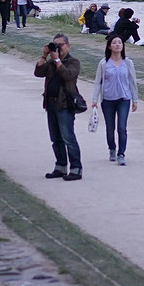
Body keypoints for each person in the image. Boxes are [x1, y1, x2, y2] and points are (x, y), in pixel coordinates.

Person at [34, 33, 83, 181]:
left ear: (68, 46)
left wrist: (56, 59)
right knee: (56, 138)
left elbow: (68, 75)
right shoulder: (50, 62)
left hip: (65, 105)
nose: (57, 48)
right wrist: (44, 56)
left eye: (60, 45)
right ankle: (60, 167)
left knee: (68, 138)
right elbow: (38, 73)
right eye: (55, 45)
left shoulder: (73, 62)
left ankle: (76, 169)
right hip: (50, 104)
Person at [92, 35, 138, 166]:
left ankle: (121, 153)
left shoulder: (128, 62)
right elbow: (98, 82)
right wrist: (95, 99)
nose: (117, 45)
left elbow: (132, 81)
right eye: (114, 43)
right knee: (110, 127)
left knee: (122, 127)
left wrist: (135, 99)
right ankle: (112, 148)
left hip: (124, 98)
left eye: (120, 43)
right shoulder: (103, 63)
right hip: (108, 99)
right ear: (109, 46)